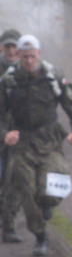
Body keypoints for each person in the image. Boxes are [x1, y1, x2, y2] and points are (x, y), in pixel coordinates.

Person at [0, 35, 72, 255]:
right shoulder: (8, 82)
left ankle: (47, 205)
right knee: (28, 192)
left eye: (32, 56)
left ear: (39, 54)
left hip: (50, 141)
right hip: (22, 144)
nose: (29, 61)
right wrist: (5, 134)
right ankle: (41, 236)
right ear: (18, 55)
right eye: (24, 56)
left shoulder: (53, 77)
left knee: (53, 187)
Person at [0, 28, 21, 242]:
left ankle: (9, 225)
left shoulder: (27, 70)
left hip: (19, 133)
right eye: (8, 46)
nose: (11, 50)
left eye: (15, 46)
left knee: (14, 180)